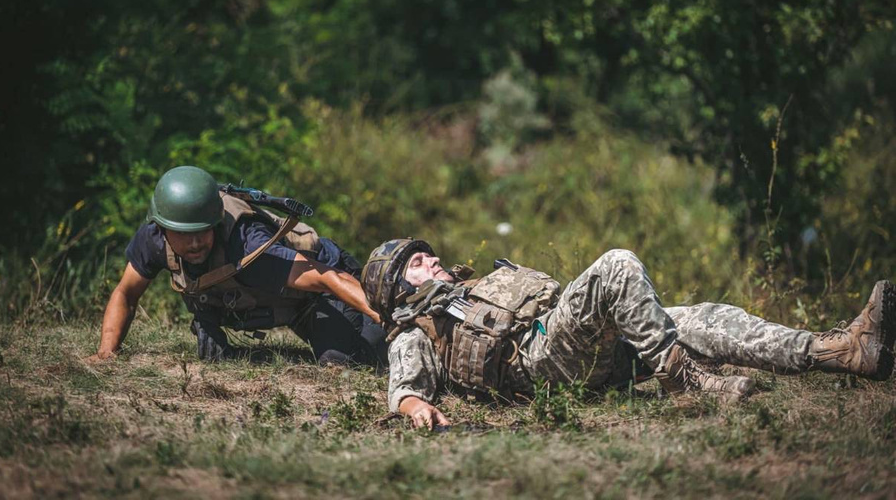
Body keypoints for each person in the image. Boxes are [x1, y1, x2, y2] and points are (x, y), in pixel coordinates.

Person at [360, 239, 896, 429]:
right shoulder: (415, 328)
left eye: (421, 252)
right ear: (396, 294)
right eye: (411, 263)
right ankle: (681, 380)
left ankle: (843, 352)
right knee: (617, 263)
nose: (425, 257)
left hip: (587, 344)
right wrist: (414, 409)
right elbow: (406, 386)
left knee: (708, 317)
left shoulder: (470, 285)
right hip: (545, 362)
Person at [88, 166, 385, 366]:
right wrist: (106, 353)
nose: (194, 244)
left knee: (345, 361)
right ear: (163, 228)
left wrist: (383, 317)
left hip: (327, 290)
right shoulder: (153, 238)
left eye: (202, 232)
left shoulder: (248, 246)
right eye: (183, 235)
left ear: (215, 223)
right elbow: (126, 294)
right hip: (279, 301)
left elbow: (328, 277)